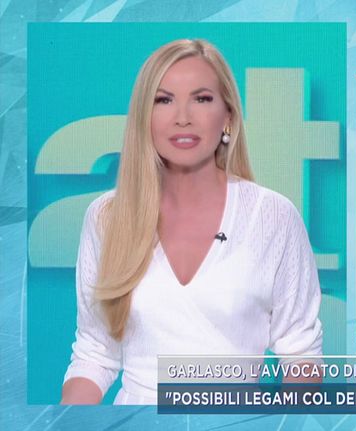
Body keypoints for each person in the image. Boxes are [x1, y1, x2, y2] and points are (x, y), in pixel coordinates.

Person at [61, 39, 323, 404]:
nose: (182, 117)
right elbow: (94, 354)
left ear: (228, 116)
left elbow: (301, 356)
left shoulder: (274, 217)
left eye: (201, 99)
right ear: (144, 117)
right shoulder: (107, 216)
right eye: (164, 100)